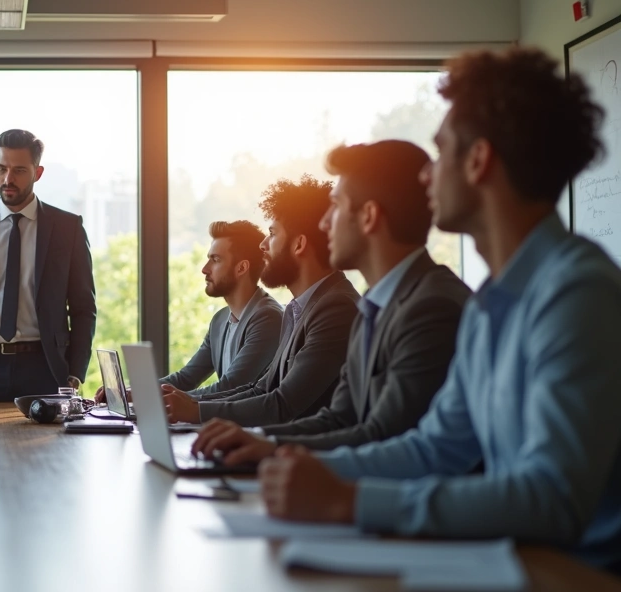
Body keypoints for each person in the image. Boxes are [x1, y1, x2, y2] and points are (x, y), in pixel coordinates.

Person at [256, 47, 621, 573]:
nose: (426, 179)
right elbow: (434, 448)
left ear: (478, 161)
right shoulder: (488, 305)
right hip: (513, 561)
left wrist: (349, 500)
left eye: (441, 151)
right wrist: (304, 467)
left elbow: (552, 499)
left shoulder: (577, 293)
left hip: (576, 574)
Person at [192, 141, 470, 465]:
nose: (324, 225)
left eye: (335, 208)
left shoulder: (430, 307)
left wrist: (270, 448)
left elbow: (384, 436)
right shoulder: (372, 306)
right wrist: (262, 441)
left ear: (368, 216)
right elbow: (339, 418)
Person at [162, 175, 360, 426]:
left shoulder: (335, 308)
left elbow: (282, 404)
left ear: (299, 244)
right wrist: (190, 405)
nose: (263, 245)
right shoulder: (299, 309)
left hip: (305, 457)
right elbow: (260, 389)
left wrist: (194, 411)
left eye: (272, 233)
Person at [0, 129, 97, 401]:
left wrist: (74, 374)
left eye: (19, 170)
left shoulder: (67, 228)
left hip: (45, 368)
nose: (8, 179)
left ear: (38, 172)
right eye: (1, 169)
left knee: (46, 445)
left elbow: (83, 307)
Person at [97, 220, 281, 406]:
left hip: (249, 431)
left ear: (241, 268)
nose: (205, 268)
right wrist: (130, 392)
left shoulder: (268, 319)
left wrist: (160, 398)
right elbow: (186, 378)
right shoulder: (220, 319)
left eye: (215, 260)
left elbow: (229, 387)